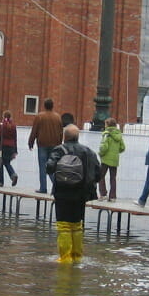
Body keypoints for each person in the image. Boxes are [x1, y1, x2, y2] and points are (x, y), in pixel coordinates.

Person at [46, 124, 100, 262]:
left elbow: (49, 168)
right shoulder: (88, 151)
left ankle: (65, 259)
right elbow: (98, 173)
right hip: (81, 194)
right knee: (77, 225)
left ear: (64, 137)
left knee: (64, 225)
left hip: (63, 193)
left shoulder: (59, 150)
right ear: (77, 136)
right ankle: (77, 257)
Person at [28, 98, 63, 193]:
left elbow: (34, 130)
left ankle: (43, 188)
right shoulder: (58, 117)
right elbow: (61, 132)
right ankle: (57, 186)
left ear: (44, 106)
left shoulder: (39, 116)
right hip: (55, 145)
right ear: (53, 106)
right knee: (52, 166)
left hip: (42, 144)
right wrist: (60, 144)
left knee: (42, 166)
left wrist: (31, 142)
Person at [97, 117, 125, 201]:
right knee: (113, 178)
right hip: (114, 159)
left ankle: (103, 194)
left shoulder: (106, 134)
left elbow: (104, 147)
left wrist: (100, 154)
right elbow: (122, 147)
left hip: (105, 159)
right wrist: (115, 152)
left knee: (101, 176)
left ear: (107, 125)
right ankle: (112, 197)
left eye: (105, 124)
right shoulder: (119, 134)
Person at [0, 110, 19, 186]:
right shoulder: (13, 126)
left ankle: (0, 181)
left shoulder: (2, 125)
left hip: (3, 147)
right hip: (11, 147)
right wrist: (15, 151)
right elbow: (15, 138)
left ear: (3, 116)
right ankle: (12, 175)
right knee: (6, 162)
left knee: (0, 163)